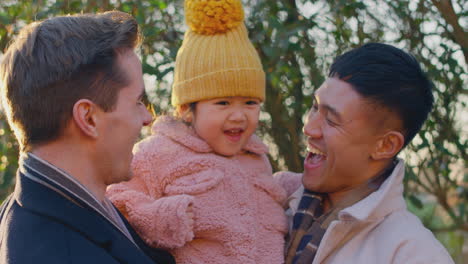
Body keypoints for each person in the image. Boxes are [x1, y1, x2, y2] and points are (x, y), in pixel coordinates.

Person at [106, 0, 288, 263]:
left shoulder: (257, 159)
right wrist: (161, 217)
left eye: (250, 103)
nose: (238, 115)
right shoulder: (159, 153)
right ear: (186, 109)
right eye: (222, 103)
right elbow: (119, 199)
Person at [0, 11, 175, 264]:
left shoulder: (45, 207)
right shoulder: (57, 252)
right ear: (89, 118)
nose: (147, 118)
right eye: (137, 101)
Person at [274, 43, 454, 264]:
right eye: (314, 107)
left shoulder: (413, 254)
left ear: (385, 145)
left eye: (331, 120)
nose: (309, 128)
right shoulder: (273, 204)